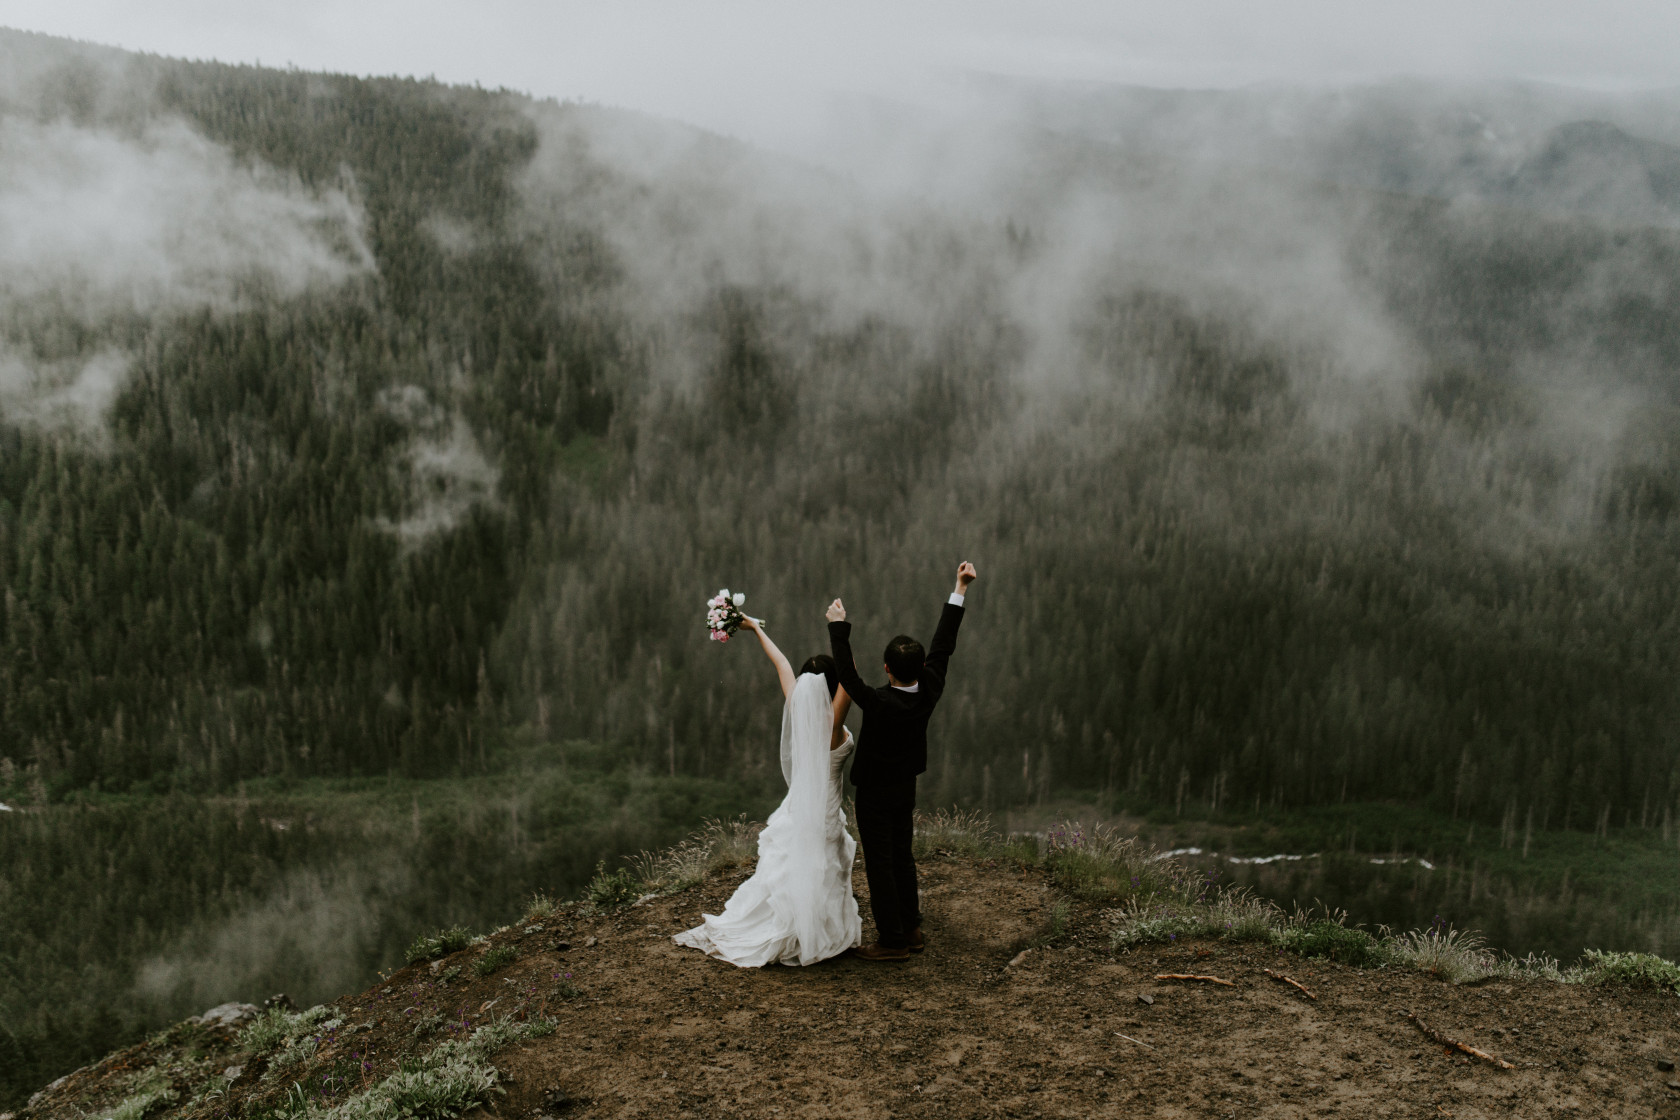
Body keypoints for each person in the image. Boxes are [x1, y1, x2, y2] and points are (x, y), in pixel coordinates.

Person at [672, 617, 861, 966]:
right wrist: (840, 629)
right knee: (825, 870)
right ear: (833, 686)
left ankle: (798, 928)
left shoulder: (798, 707)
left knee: (795, 871)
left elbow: (782, 663)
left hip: (798, 809)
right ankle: (818, 933)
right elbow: (851, 676)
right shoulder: (832, 728)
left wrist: (756, 629)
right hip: (824, 813)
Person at [827, 560, 977, 961]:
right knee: (902, 854)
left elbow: (845, 674)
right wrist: (959, 589)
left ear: (887, 668)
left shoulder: (879, 701)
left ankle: (892, 941)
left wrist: (838, 625)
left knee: (880, 862)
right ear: (920, 667)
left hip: (875, 792)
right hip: (905, 786)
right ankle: (910, 928)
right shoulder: (929, 689)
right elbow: (945, 642)